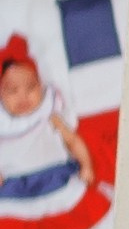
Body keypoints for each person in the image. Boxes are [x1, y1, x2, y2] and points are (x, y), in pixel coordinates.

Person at [0, 35, 95, 210]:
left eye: (31, 87)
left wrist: (86, 166)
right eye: (13, 90)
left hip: (56, 176)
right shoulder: (3, 125)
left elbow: (73, 141)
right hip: (14, 185)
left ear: (41, 86)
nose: (23, 96)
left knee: (74, 206)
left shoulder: (50, 115)